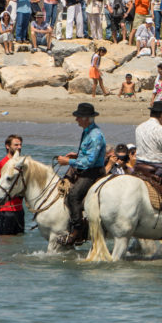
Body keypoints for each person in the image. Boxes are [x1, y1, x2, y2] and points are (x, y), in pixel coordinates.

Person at [56, 102, 107, 246]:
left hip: (92, 172)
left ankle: (77, 231)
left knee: (73, 195)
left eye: (78, 117)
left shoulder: (95, 135)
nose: (76, 119)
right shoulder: (87, 131)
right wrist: (76, 155)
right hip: (86, 169)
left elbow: (89, 162)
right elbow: (88, 154)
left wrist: (68, 162)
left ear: (86, 118)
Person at [0, 134, 25, 236]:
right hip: (7, 209)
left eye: (20, 144)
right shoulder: (4, 163)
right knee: (5, 239)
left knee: (19, 239)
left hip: (18, 208)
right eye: (16, 145)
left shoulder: (18, 163)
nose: (19, 147)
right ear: (7, 146)